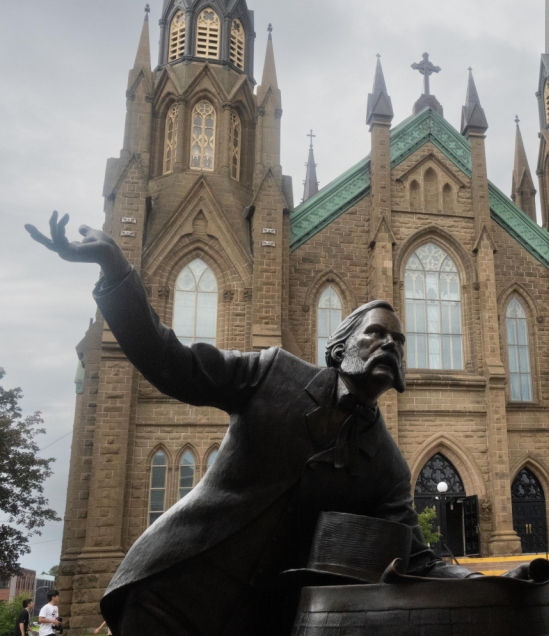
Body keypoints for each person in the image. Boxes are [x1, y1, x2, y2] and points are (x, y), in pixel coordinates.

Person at [25, 214, 480, 635]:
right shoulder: (272, 374)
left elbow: (418, 559)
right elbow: (171, 363)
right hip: (175, 591)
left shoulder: (388, 466)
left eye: (399, 340)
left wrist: (489, 579)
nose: (390, 345)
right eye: (376, 333)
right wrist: (116, 271)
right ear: (340, 350)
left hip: (260, 623)